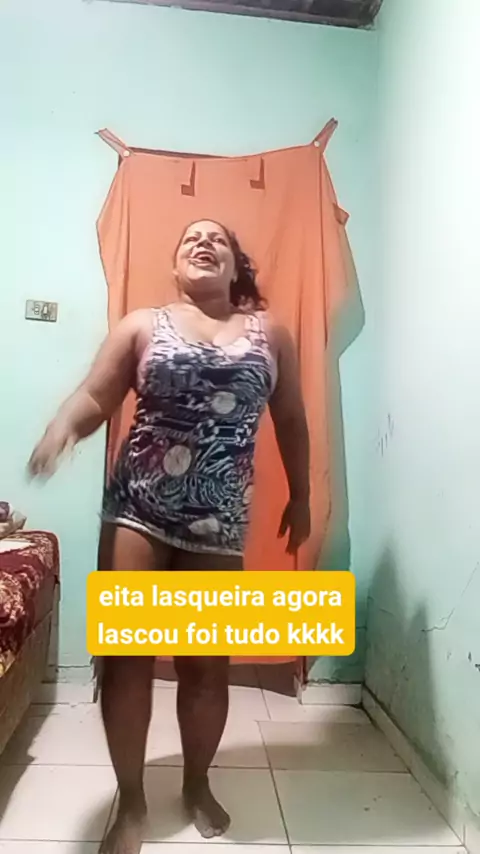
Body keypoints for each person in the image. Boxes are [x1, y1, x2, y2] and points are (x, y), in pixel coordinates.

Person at [28, 219, 311, 854]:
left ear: (236, 267)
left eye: (218, 239)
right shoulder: (142, 326)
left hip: (218, 522)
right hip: (138, 508)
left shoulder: (271, 335)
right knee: (127, 658)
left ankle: (196, 781)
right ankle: (131, 801)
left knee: (205, 665)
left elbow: (291, 417)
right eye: (190, 238)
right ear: (176, 265)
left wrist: (303, 495)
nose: (203, 243)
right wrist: (61, 428)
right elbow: (95, 396)